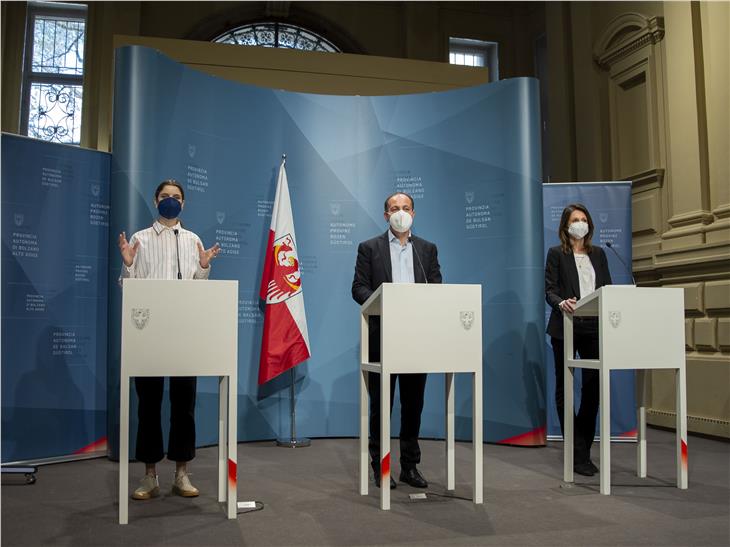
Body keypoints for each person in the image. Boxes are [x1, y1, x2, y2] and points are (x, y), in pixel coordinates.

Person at [118, 179, 221, 499]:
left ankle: (181, 473)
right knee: (148, 404)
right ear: (155, 200)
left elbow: (199, 291)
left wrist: (203, 267)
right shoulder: (140, 238)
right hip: (149, 335)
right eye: (165, 197)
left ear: (184, 203)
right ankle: (149, 475)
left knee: (183, 405)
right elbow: (128, 288)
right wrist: (128, 263)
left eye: (176, 197)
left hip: (183, 334)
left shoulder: (191, 240)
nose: (171, 201)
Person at [352, 192, 442, 489]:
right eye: (394, 208)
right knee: (381, 405)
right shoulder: (369, 248)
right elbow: (358, 288)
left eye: (405, 208)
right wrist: (382, 302)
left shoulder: (426, 249)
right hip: (382, 336)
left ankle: (409, 467)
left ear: (413, 213)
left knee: (413, 405)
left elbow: (436, 286)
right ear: (385, 215)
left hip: (416, 338)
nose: (399, 212)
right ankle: (380, 467)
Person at [545, 203, 612, 477]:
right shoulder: (556, 254)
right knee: (565, 388)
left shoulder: (599, 254)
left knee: (593, 389)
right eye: (575, 219)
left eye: (584, 219)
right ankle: (575, 449)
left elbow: (606, 289)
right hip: (566, 325)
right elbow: (549, 290)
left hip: (594, 327)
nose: (580, 223)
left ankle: (582, 448)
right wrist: (562, 302)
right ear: (565, 225)